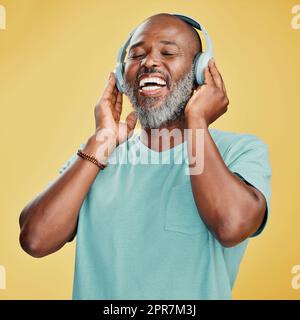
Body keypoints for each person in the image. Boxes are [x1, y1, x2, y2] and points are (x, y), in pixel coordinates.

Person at [19, 13, 272, 299]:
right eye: (136, 55)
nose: (149, 62)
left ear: (200, 72)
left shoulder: (238, 151)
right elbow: (35, 240)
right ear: (120, 75)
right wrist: (100, 142)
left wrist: (197, 121)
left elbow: (231, 225)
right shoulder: (96, 158)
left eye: (168, 52)